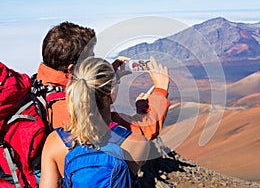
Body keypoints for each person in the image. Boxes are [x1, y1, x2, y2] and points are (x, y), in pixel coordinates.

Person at [39, 56, 169, 187]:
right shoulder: (137, 144)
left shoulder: (54, 144)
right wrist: (160, 91)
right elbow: (140, 129)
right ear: (112, 93)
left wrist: (103, 79)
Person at [37, 21, 170, 140]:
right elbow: (138, 133)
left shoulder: (40, 87)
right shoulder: (77, 109)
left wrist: (107, 77)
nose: (94, 61)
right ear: (72, 69)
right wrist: (160, 91)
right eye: (90, 59)